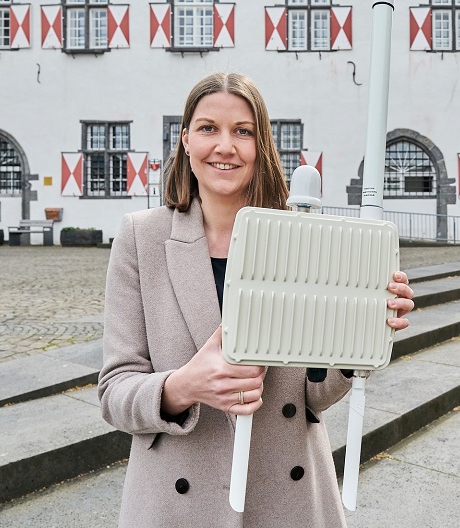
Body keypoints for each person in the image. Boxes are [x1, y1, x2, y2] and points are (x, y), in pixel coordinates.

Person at [98, 72, 415, 527]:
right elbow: (115, 392)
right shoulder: (140, 237)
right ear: (185, 139)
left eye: (242, 131)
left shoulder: (303, 238)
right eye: (209, 128)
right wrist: (184, 386)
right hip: (176, 501)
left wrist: (361, 332)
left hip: (287, 495)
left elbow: (313, 394)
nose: (225, 146)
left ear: (260, 145)